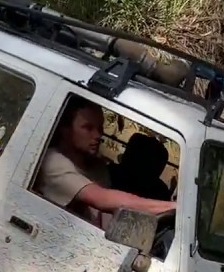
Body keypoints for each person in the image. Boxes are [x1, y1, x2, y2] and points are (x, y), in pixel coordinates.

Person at [36, 96, 176, 230]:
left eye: (100, 129)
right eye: (88, 128)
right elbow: (102, 198)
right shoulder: (53, 161)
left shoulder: (97, 166)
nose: (97, 135)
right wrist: (172, 207)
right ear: (65, 129)